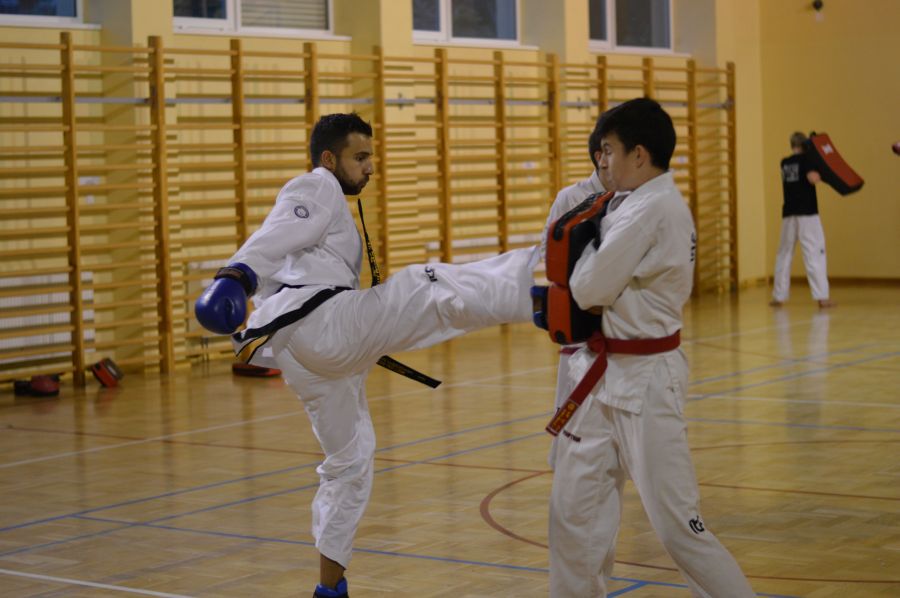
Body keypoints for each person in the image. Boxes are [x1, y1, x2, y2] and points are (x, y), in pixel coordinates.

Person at [194, 113, 538, 598]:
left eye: (371, 157)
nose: (370, 167)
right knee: (425, 287)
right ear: (329, 158)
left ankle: (330, 589)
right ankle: (542, 289)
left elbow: (288, 247)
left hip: (310, 358)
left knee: (350, 461)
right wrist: (237, 275)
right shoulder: (316, 185)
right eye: (360, 157)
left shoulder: (333, 204)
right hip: (324, 325)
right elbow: (278, 230)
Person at [546, 98, 754, 597]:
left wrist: (584, 250)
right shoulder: (628, 202)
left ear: (638, 154)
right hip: (599, 377)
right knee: (575, 516)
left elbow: (588, 290)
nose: (602, 161)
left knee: (679, 528)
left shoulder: (652, 208)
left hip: (645, 383)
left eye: (609, 150)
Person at [540, 116, 610, 467]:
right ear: (601, 156)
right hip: (579, 323)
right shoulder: (572, 197)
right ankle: (565, 465)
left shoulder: (633, 199)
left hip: (620, 325)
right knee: (572, 406)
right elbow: (547, 252)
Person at [770, 131, 835, 308]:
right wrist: (822, 169)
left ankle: (778, 296)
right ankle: (822, 297)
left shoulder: (785, 162)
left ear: (792, 145)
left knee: (784, 254)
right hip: (807, 214)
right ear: (805, 145)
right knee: (814, 253)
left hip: (789, 214)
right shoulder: (807, 160)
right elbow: (812, 178)